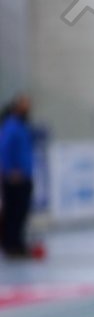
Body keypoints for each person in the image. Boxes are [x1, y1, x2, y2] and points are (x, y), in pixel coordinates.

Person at [0, 95, 34, 259]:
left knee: (21, 212)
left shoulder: (23, 126)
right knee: (13, 212)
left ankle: (18, 243)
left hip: (25, 175)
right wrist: (10, 170)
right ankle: (10, 244)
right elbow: (4, 150)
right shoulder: (11, 126)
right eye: (24, 104)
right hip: (14, 177)